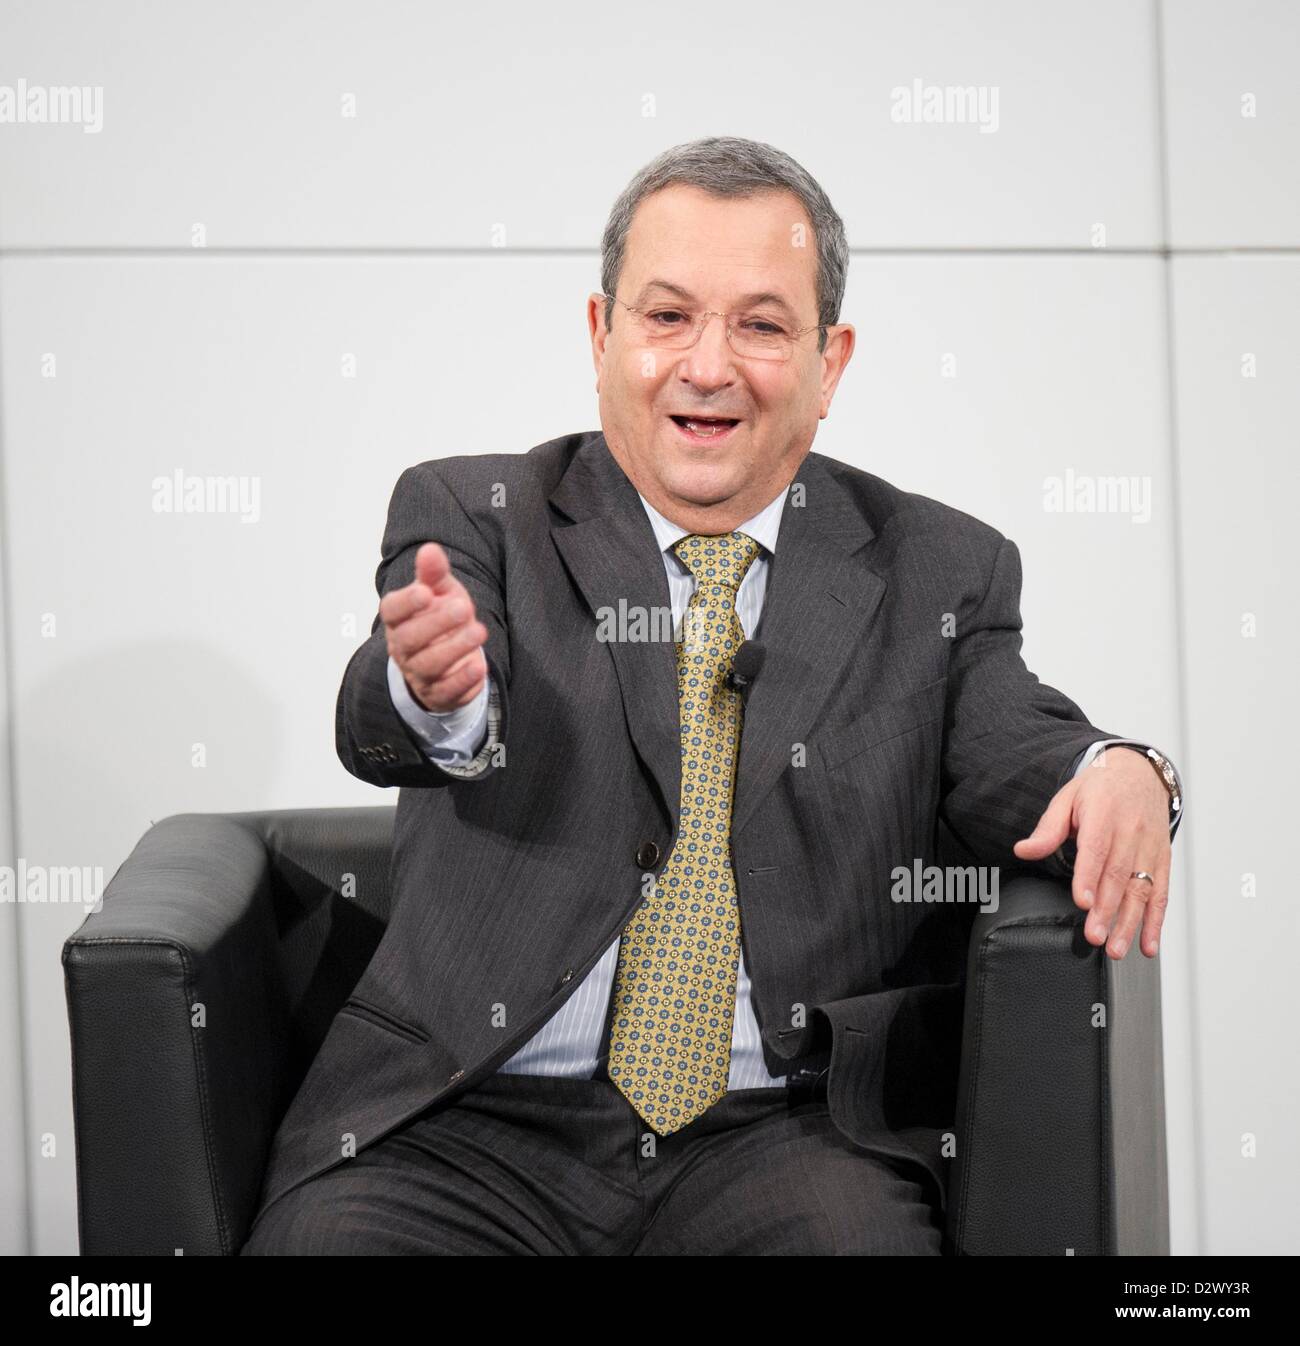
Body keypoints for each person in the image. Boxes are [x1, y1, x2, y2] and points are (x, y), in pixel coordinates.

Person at [241, 136, 1182, 1256]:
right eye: (668, 316)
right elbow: (388, 714)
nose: (707, 365)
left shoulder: (937, 566)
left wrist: (1122, 767)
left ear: (830, 362)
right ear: (602, 337)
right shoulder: (479, 511)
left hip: (777, 1133)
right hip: (467, 1119)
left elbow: (1013, 737)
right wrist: (435, 694)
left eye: (762, 325)